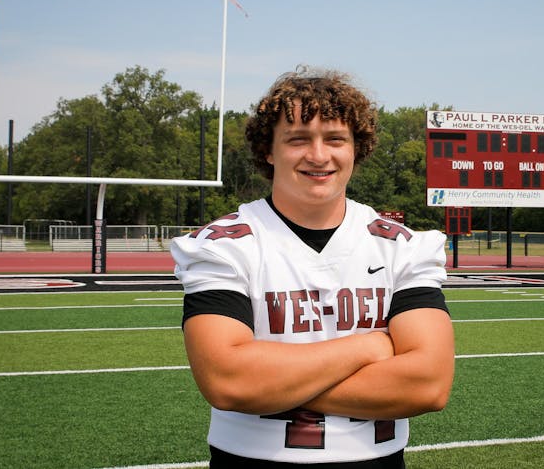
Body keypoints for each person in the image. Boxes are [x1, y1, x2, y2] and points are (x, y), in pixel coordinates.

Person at [171, 66, 455, 468]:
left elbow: (428, 385)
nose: (318, 155)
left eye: (335, 139)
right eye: (298, 139)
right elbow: (228, 381)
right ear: (268, 150)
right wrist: (371, 345)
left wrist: (271, 382)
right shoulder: (224, 245)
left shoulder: (402, 246)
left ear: (357, 147)